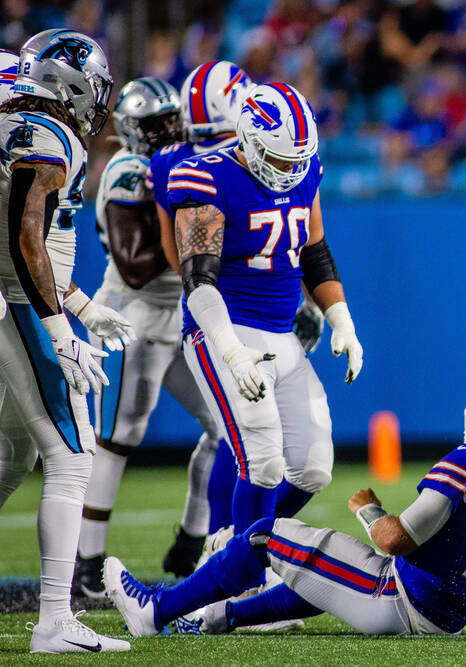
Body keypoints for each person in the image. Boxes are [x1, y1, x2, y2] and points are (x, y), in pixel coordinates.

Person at [103, 374, 466, 637]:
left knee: (267, 534)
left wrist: (368, 508)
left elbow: (394, 540)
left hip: (399, 601)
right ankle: (216, 618)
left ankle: (155, 612)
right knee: (327, 566)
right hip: (442, 616)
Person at [167, 82, 363, 576]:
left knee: (313, 467)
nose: (290, 172)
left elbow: (315, 253)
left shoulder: (303, 171)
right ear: (249, 142)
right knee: (262, 460)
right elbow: (197, 278)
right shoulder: (206, 176)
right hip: (223, 329)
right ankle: (241, 573)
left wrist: (342, 320)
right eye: (278, 160)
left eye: (297, 160)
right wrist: (230, 351)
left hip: (282, 334)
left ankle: (236, 547)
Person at [72, 77, 231, 599]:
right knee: (118, 439)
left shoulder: (183, 161)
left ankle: (191, 539)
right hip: (130, 318)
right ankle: (87, 564)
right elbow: (136, 268)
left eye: (171, 119)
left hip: (180, 315)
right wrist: (194, 239)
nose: (167, 131)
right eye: (155, 124)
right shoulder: (127, 172)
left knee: (225, 428)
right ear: (131, 130)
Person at [0, 29, 133, 653]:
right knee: (74, 456)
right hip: (19, 306)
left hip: (20, 296)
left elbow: (28, 244)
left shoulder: (18, 120)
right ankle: (55, 619)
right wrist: (60, 329)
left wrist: (82, 306)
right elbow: (26, 239)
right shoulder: (47, 137)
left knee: (13, 453)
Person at [146, 61, 255, 574]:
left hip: (208, 301)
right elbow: (184, 254)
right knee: (241, 437)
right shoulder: (219, 163)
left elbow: (176, 254)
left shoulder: (170, 159)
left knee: (232, 435)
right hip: (229, 305)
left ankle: (210, 541)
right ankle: (222, 546)